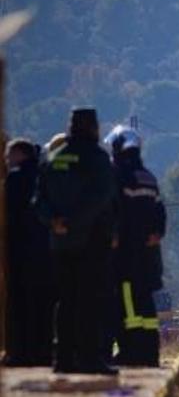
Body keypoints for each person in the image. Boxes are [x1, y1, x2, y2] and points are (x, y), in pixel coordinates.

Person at [36, 107, 117, 374]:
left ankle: (63, 359)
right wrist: (75, 222)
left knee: (66, 299)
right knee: (89, 300)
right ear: (93, 127)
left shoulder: (53, 157)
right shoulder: (96, 158)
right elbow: (101, 198)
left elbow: (38, 200)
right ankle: (90, 359)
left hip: (60, 241)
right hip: (91, 241)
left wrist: (55, 222)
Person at [106, 125, 165, 367]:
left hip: (126, 257)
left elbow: (115, 211)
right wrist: (157, 233)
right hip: (148, 258)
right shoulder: (148, 177)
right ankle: (149, 352)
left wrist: (112, 236)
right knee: (146, 308)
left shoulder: (119, 175)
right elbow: (160, 212)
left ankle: (131, 351)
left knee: (128, 307)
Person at [3, 138, 54, 366]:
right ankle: (43, 352)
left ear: (19, 155)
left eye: (8, 155)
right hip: (47, 251)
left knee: (19, 303)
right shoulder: (46, 176)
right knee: (43, 305)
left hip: (20, 250)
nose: (6, 160)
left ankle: (20, 352)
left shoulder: (15, 179)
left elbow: (9, 217)